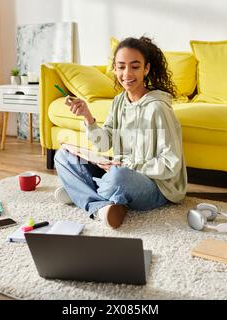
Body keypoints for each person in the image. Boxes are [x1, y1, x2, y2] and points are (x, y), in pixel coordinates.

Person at [54, 36, 188, 229]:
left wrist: (128, 165)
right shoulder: (118, 102)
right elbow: (103, 144)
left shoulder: (158, 108)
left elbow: (170, 164)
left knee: (118, 178)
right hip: (118, 169)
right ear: (115, 69)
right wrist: (87, 116)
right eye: (121, 66)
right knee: (63, 157)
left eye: (135, 66)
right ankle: (102, 205)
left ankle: (80, 193)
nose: (127, 73)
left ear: (146, 69)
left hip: (156, 186)